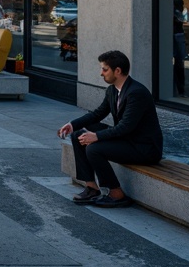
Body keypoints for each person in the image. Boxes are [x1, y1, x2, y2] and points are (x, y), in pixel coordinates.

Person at [57, 50, 163, 208]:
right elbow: (98, 114)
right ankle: (92, 188)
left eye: (104, 69)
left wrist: (97, 136)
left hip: (143, 148)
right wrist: (72, 125)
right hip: (127, 140)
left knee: (94, 149)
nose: (101, 73)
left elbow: (126, 127)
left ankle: (116, 194)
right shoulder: (113, 90)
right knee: (78, 136)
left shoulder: (137, 93)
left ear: (118, 71)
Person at [173, 0, 188, 97]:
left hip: (178, 38)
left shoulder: (176, 13)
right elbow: (181, 20)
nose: (182, 7)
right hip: (177, 39)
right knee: (178, 65)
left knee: (179, 65)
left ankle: (180, 89)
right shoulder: (176, 13)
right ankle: (180, 89)